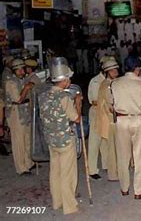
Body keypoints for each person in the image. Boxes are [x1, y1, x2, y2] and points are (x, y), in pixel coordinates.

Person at [39, 57, 81, 215]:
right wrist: (77, 102)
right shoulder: (64, 97)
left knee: (54, 171)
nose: (69, 81)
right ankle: (69, 206)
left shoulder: (44, 95)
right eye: (68, 78)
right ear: (64, 80)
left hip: (51, 139)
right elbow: (75, 118)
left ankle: (57, 202)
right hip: (64, 140)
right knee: (67, 173)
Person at [110, 55, 141, 199]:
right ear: (137, 69)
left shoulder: (115, 83)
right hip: (139, 120)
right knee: (140, 155)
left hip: (122, 121)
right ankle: (139, 190)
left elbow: (111, 104)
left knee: (123, 156)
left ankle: (124, 188)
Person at [5, 59, 35, 175]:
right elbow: (17, 99)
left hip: (25, 111)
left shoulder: (24, 80)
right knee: (19, 141)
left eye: (23, 68)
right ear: (15, 70)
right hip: (16, 112)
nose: (23, 71)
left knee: (28, 139)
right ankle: (21, 167)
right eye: (20, 69)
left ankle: (28, 163)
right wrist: (26, 88)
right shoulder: (11, 83)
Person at [87, 56, 113, 179]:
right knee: (94, 141)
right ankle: (92, 170)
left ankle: (107, 164)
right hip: (97, 113)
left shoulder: (113, 80)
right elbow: (93, 100)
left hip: (108, 113)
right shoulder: (96, 81)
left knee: (106, 140)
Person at [96, 59, 120, 182]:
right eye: (112, 70)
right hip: (111, 120)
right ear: (107, 72)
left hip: (109, 119)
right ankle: (113, 174)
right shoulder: (108, 85)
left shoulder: (107, 83)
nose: (116, 71)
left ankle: (115, 172)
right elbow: (112, 106)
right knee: (113, 149)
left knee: (114, 148)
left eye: (116, 69)